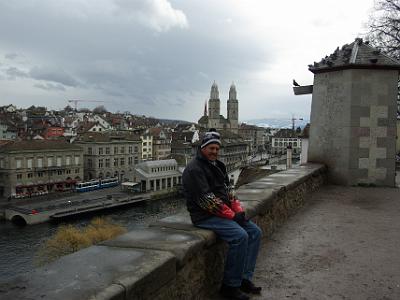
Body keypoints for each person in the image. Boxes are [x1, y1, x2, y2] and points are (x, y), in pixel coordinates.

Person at [182, 129, 262, 300]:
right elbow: (206, 200)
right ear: (202, 148)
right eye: (211, 148)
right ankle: (230, 287)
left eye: (217, 148)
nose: (215, 152)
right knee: (240, 236)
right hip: (204, 216)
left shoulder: (219, 165)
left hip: (223, 213)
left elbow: (229, 191)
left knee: (255, 232)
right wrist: (233, 216)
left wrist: (238, 210)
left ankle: (244, 279)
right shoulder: (194, 170)